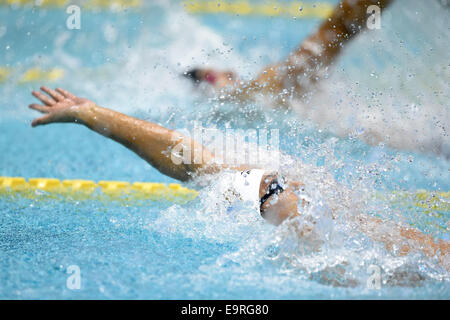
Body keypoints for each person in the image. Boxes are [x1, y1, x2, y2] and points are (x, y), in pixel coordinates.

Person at [28, 86, 449, 270]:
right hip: (281, 196)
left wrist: (94, 114)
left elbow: (190, 161)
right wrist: (92, 114)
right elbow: (190, 161)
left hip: (281, 195)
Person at [185, 0, 393, 106]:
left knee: (338, 32)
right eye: (214, 75)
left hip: (283, 81)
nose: (230, 72)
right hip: (283, 82)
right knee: (338, 32)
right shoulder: (246, 93)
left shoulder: (258, 88)